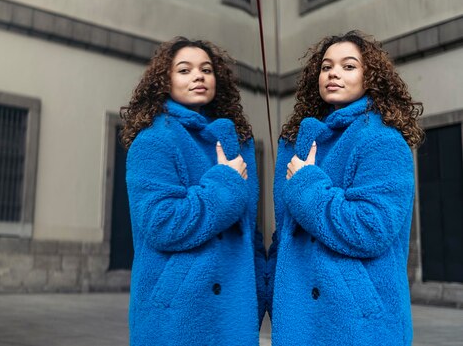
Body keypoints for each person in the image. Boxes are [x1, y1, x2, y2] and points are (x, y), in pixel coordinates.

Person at [267, 30, 424, 345]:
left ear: (371, 77)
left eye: (348, 66)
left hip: (358, 323)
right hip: (297, 314)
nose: (334, 73)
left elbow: (371, 227)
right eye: (326, 67)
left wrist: (307, 184)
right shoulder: (298, 143)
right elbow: (284, 231)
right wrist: (274, 285)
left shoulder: (383, 140)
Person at [120, 37, 266, 345]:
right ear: (165, 81)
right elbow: (162, 223)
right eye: (184, 70)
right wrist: (224, 183)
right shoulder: (153, 141)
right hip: (177, 312)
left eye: (206, 70)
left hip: (231, 308)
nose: (198, 76)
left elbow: (247, 232)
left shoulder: (234, 142)